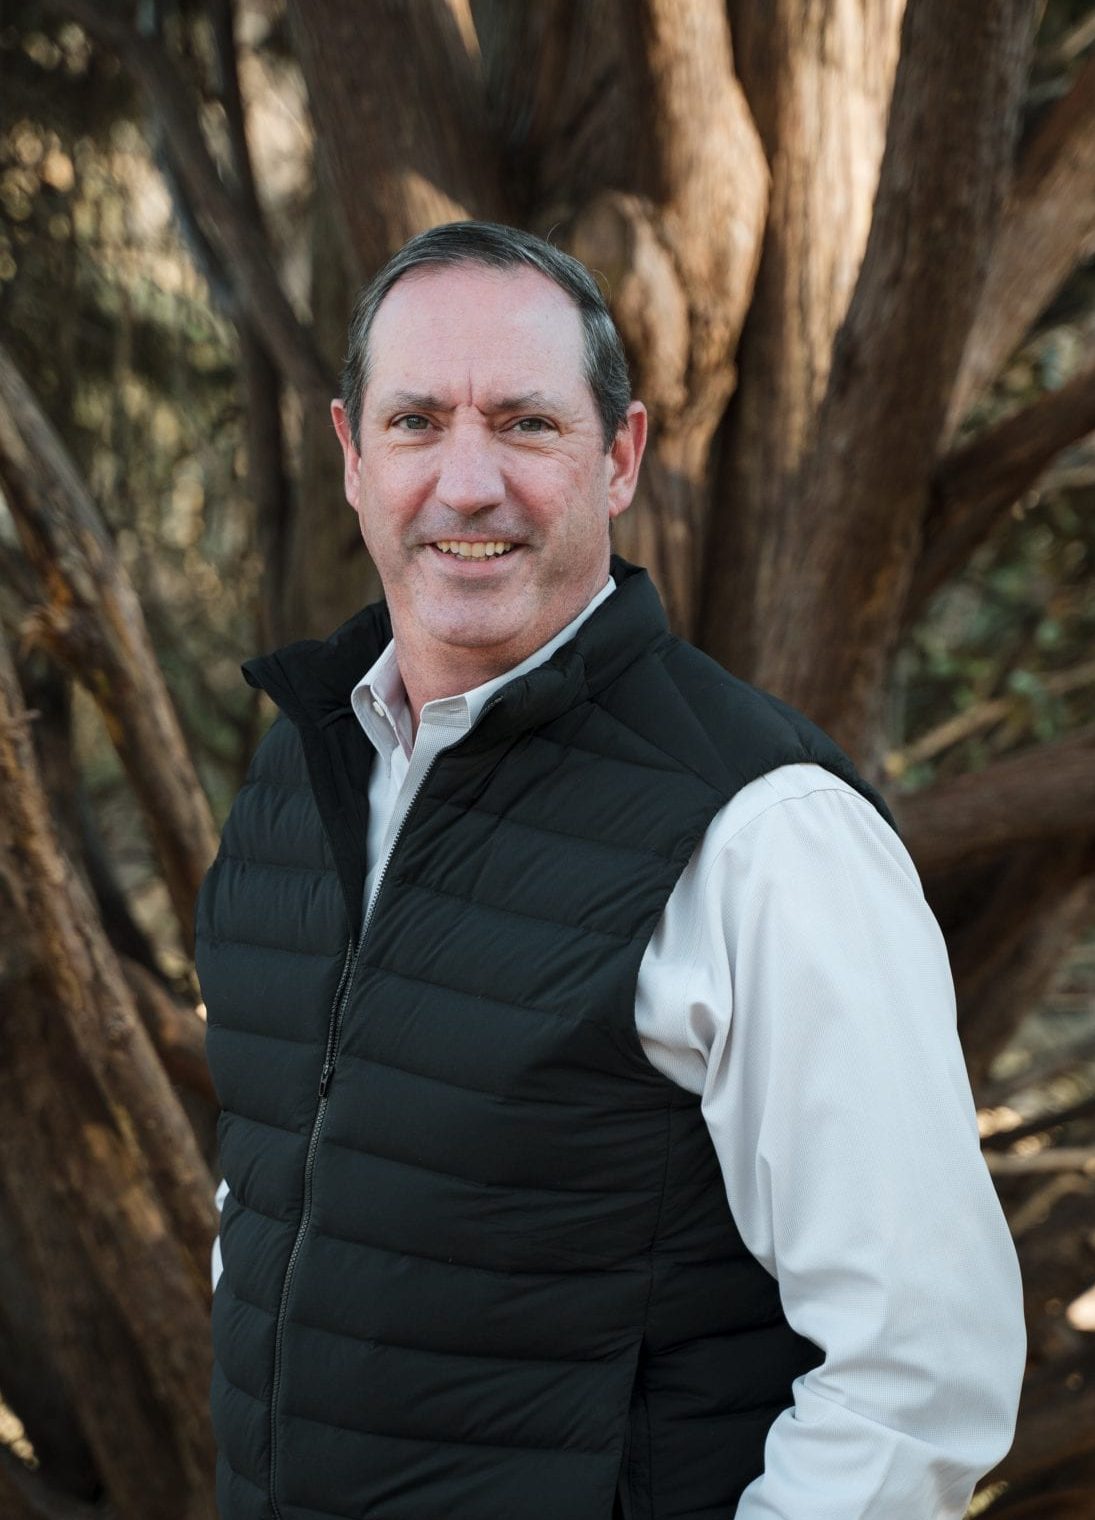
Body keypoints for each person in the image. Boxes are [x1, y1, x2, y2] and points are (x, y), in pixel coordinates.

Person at [197, 221, 1025, 1520]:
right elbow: (268, 1201)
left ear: (621, 456)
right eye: (416, 423)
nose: (467, 483)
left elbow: (919, 1375)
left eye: (525, 424)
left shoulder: (767, 835)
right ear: (353, 456)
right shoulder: (295, 781)